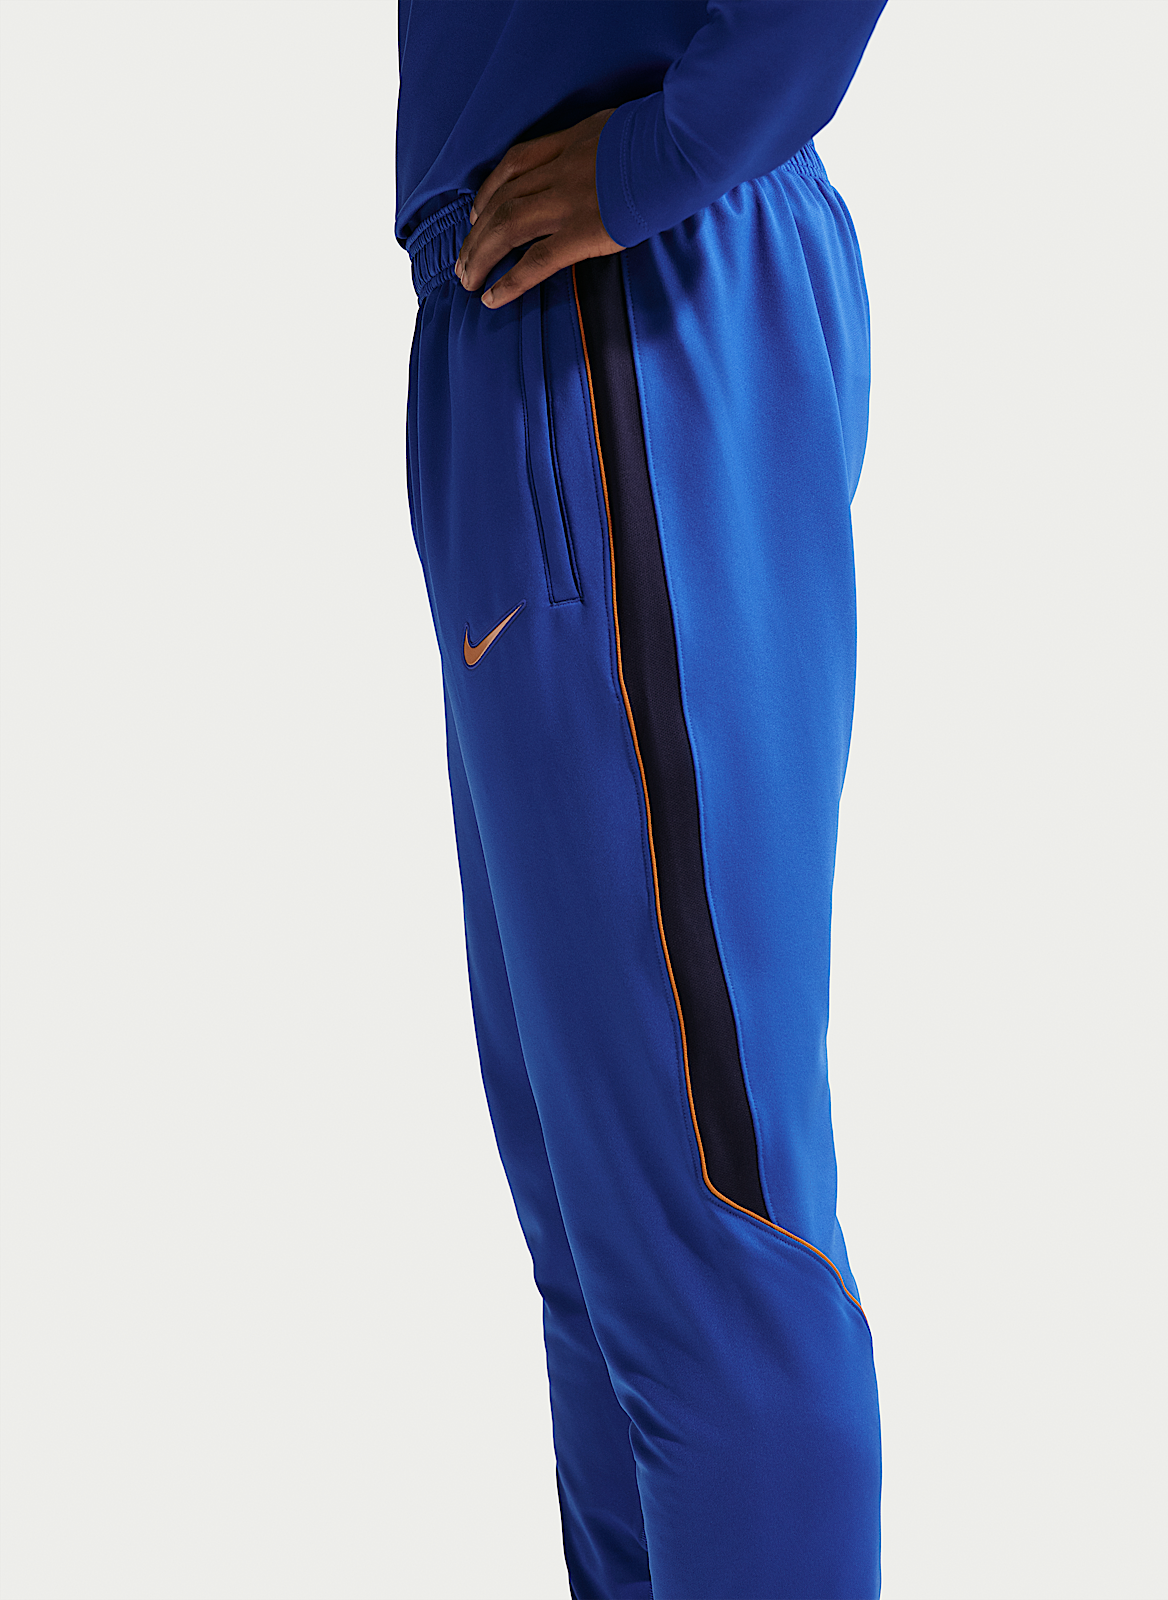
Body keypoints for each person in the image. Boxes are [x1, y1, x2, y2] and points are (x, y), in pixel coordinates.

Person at [396, 4, 888, 1595]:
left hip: (633, 308)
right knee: (605, 1244)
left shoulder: (653, 197)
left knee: (708, 1241)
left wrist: (671, 149)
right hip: (529, 317)